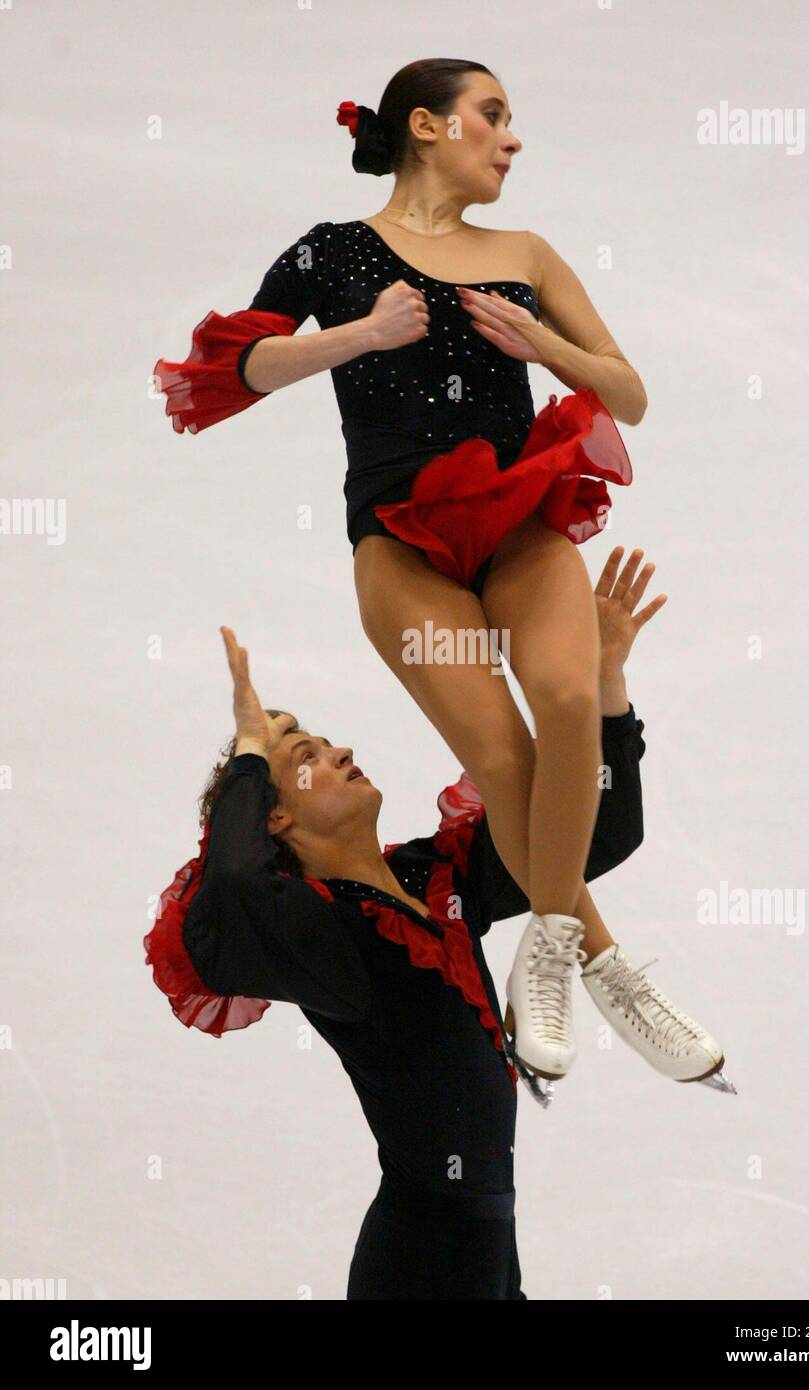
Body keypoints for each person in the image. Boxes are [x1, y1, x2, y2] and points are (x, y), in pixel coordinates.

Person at [151, 58, 733, 1091]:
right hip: (398, 536)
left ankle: (550, 946)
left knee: (562, 698)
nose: (510, 139)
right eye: (492, 116)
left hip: (517, 515)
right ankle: (602, 963)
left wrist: (545, 343)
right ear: (425, 125)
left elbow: (628, 395)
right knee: (502, 754)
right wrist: (358, 336)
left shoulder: (522, 252)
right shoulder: (330, 252)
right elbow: (225, 370)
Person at [144, 554, 664, 1299]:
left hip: (482, 1247)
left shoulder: (435, 877)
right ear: (276, 820)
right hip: (424, 1261)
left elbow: (594, 838)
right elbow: (228, 890)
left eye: (323, 742)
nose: (341, 751)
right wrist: (250, 751)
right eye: (308, 758)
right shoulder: (322, 937)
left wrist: (606, 688)